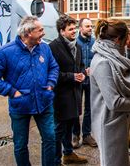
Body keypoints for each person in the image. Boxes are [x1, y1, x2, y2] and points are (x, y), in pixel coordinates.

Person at [0, 16, 59, 166]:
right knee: (20, 144)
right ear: (28, 33)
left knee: (50, 138)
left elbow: (53, 67)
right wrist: (12, 92)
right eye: (40, 30)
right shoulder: (5, 52)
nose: (44, 33)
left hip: (44, 102)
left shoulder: (44, 47)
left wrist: (50, 84)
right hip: (20, 106)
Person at [90, 19, 130, 166]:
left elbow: (128, 74)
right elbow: (114, 102)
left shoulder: (110, 54)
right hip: (109, 124)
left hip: (118, 121)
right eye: (126, 38)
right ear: (117, 39)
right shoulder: (103, 62)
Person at [49, 15, 88, 165]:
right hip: (61, 96)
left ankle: (68, 154)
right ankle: (56, 161)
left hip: (75, 94)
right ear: (61, 31)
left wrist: (83, 74)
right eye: (70, 29)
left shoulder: (76, 46)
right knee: (58, 130)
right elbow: (51, 73)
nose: (74, 31)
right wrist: (71, 76)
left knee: (71, 126)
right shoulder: (53, 47)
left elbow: (81, 65)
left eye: (75, 28)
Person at [72, 18, 97, 148]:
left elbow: (98, 59)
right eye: (87, 26)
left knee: (89, 108)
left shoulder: (95, 42)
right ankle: (75, 134)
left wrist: (94, 68)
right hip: (78, 80)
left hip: (91, 81)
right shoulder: (74, 42)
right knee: (76, 109)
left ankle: (87, 135)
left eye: (91, 26)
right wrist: (81, 71)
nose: (90, 28)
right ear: (80, 28)